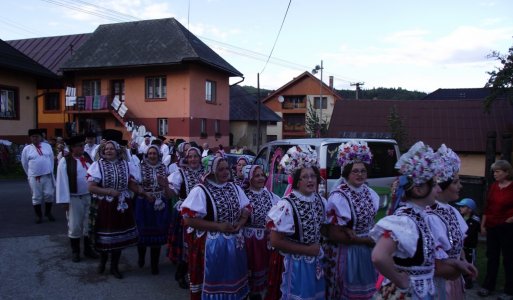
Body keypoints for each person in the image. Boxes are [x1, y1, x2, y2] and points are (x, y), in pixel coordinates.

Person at [370, 141, 441, 299]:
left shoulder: (419, 216)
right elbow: (379, 256)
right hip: (409, 293)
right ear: (419, 189)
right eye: (435, 184)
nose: (439, 189)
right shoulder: (405, 220)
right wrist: (400, 280)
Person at [181, 156, 251, 299]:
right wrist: (218, 226)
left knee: (233, 279)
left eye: (227, 168)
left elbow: (246, 207)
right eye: (220, 169)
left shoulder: (234, 187)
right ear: (211, 171)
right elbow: (188, 219)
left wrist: (241, 221)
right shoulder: (200, 190)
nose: (226, 172)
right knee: (215, 279)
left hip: (234, 244)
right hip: (211, 245)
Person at [266, 147, 326, 299]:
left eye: (313, 176)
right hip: (295, 264)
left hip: (315, 262)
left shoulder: (320, 200)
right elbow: (275, 241)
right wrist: (307, 250)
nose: (311, 180)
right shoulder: (286, 205)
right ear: (297, 182)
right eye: (305, 177)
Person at [324, 140, 378, 299]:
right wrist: (364, 241)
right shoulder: (339, 196)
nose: (360, 174)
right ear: (347, 172)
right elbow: (334, 234)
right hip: (348, 253)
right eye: (355, 171)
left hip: (368, 251)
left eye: (363, 171)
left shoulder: (370, 193)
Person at [87, 129, 139, 279]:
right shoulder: (98, 165)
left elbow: (131, 184)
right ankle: (102, 262)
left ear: (117, 150)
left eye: (111, 148)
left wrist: (143, 193)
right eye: (106, 148)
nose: (108, 150)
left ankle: (114, 267)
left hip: (122, 204)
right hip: (105, 205)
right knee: (105, 236)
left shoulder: (126, 165)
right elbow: (91, 187)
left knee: (119, 238)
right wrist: (109, 192)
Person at [426, 144, 476, 299]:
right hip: (439, 281)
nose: (460, 186)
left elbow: (458, 240)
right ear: (441, 186)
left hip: (454, 277)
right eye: (455, 182)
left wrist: (465, 260)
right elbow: (432, 262)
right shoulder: (429, 215)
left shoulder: (452, 210)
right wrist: (460, 268)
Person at [56, 135, 99, 262]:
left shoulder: (86, 157)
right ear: (72, 148)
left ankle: (88, 249)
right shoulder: (65, 161)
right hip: (74, 198)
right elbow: (62, 182)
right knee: (75, 225)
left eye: (82, 145)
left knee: (88, 224)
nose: (82, 147)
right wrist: (64, 200)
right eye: (80, 146)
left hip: (89, 196)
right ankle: (75, 251)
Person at [167, 146, 204, 289]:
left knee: (198, 245)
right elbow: (170, 194)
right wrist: (165, 186)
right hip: (185, 214)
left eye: (196, 156)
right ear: (186, 159)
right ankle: (180, 274)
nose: (193, 159)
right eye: (190, 157)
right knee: (184, 246)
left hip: (202, 214)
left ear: (200, 158)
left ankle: (196, 274)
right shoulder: (180, 173)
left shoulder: (207, 173)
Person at [242, 165, 280, 300]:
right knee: (250, 268)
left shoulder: (271, 196)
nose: (260, 178)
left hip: (266, 240)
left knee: (265, 268)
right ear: (250, 178)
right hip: (249, 240)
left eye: (262, 175)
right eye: (256, 176)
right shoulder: (243, 195)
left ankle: (260, 293)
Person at [134, 145, 172, 275]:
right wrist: (145, 194)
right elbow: (136, 185)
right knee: (143, 232)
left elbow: (168, 187)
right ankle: (141, 257)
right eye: (149, 153)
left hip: (160, 203)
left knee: (158, 233)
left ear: (158, 155)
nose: (152, 156)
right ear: (146, 155)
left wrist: (164, 187)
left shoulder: (164, 167)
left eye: (154, 153)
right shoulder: (140, 167)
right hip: (144, 203)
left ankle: (154, 264)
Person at [478, 160, 513, 298]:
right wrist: (482, 224)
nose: (495, 174)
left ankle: (509, 290)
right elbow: (488, 207)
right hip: (492, 226)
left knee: (509, 259)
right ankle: (488, 286)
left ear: (507, 172)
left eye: (498, 171)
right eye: (494, 171)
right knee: (492, 258)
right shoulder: (493, 187)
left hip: (507, 227)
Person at [21, 128, 56, 224]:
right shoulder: (27, 149)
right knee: (36, 196)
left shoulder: (47, 146)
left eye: (37, 136)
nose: (35, 138)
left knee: (49, 194)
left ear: (40, 137)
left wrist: (50, 170)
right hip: (35, 177)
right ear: (30, 138)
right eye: (33, 137)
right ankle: (38, 215)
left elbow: (51, 159)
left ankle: (48, 213)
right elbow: (24, 163)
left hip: (47, 175)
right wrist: (30, 174)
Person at [455, 198, 480, 289]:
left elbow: (468, 233)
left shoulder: (475, 220)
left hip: (469, 247)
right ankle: (460, 278)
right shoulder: (460, 217)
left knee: (470, 263)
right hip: (462, 246)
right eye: (460, 207)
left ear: (470, 209)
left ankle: (469, 280)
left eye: (463, 207)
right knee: (460, 261)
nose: (460, 208)